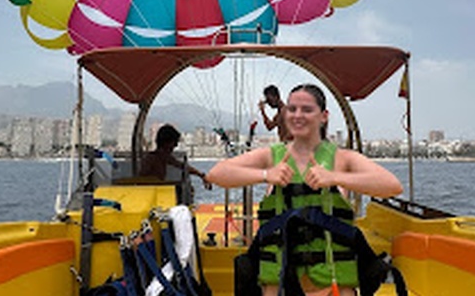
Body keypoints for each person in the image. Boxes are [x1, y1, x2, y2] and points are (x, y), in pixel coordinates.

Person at [207, 84, 403, 296]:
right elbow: (216, 174)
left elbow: (391, 185)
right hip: (279, 286)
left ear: (324, 116)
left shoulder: (342, 158)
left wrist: (334, 177)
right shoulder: (271, 156)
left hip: (331, 286)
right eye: (292, 109)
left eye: (307, 110)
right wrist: (266, 175)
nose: (297, 115)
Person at [140, 124, 212, 189]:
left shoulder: (166, 158)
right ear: (166, 142)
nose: (175, 145)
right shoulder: (150, 159)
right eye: (174, 142)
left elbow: (183, 167)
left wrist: (201, 175)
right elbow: (144, 181)